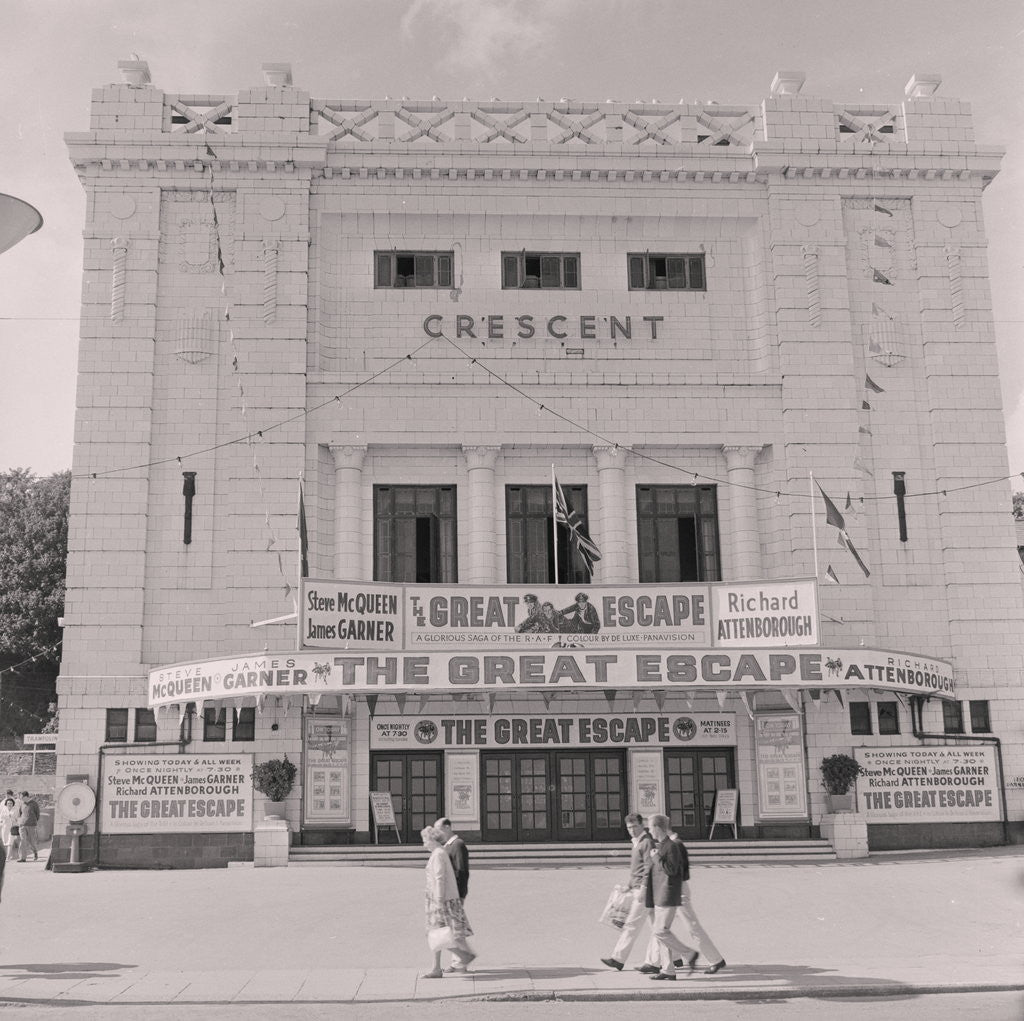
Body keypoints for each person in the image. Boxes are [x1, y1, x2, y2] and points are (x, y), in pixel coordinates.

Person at [646, 815, 726, 978]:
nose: (649, 831)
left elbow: (677, 871)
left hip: (676, 891)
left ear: (659, 827)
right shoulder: (665, 844)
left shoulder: (675, 845)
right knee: (663, 930)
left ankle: (706, 958)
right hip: (670, 891)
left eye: (650, 827)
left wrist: (657, 860)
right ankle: (664, 964)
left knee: (687, 927)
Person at [600, 813, 657, 971]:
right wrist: (630, 885)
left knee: (631, 925)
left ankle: (618, 959)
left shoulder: (646, 842)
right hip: (640, 888)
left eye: (635, 827)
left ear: (642, 825)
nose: (632, 830)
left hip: (643, 891)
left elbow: (649, 867)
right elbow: (637, 869)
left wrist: (643, 888)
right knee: (657, 928)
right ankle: (676, 957)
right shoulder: (638, 842)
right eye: (629, 827)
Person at [420, 826, 475, 979]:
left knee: (439, 933)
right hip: (442, 899)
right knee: (439, 934)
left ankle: (461, 957)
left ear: (432, 840)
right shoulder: (440, 853)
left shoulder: (438, 854)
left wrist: (438, 902)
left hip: (441, 900)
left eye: (425, 840)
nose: (424, 844)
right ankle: (440, 966)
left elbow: (439, 878)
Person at [434, 817, 472, 973]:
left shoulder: (457, 845)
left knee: (454, 928)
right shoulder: (448, 846)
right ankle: (459, 961)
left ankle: (461, 961)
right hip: (451, 894)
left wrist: (461, 894)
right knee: (454, 928)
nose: (438, 833)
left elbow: (462, 871)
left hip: (454, 895)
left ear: (448, 828)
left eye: (439, 829)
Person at [17, 791, 40, 862]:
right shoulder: (22, 804)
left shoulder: (34, 804)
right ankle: (22, 858)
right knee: (23, 840)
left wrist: (33, 822)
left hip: (31, 825)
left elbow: (37, 814)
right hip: (22, 826)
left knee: (32, 842)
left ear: (26, 796)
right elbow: (20, 814)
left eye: (21, 797)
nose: (20, 798)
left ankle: (35, 852)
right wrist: (20, 823)